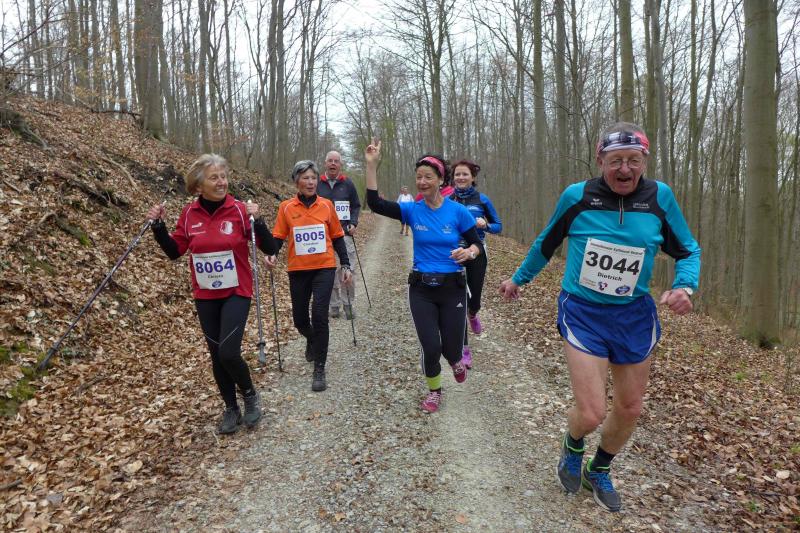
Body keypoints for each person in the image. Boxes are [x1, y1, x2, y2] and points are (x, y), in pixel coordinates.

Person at [499, 122, 700, 512]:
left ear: (644, 162)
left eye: (633, 161)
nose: (625, 169)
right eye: (615, 161)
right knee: (592, 412)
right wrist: (518, 279)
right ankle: (573, 444)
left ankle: (599, 468)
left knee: (630, 408)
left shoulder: (659, 197)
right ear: (600, 160)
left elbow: (688, 249)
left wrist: (684, 286)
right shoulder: (578, 196)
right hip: (583, 311)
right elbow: (546, 243)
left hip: (634, 315)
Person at [146, 154, 270, 435]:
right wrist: (158, 227)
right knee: (216, 355)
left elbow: (270, 247)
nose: (221, 182)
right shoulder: (189, 214)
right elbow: (174, 251)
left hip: (236, 290)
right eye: (214, 178)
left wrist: (259, 220)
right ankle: (230, 407)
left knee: (228, 352)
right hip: (206, 295)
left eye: (223, 176)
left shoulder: (239, 210)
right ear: (198, 185)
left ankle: (250, 395)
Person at [365, 140, 484, 413]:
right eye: (418, 177)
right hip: (421, 288)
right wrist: (371, 166)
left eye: (428, 177)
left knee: (452, 349)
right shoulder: (412, 210)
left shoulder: (457, 212)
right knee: (431, 347)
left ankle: (455, 360)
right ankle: (434, 391)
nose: (422, 182)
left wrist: (469, 253)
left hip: (453, 288)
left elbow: (477, 244)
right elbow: (374, 203)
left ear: (441, 180)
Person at [264, 160, 353, 392]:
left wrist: (345, 263)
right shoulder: (286, 207)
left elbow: (337, 237)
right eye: (305, 178)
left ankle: (319, 368)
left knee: (320, 315)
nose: (311, 182)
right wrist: (272, 254)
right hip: (298, 270)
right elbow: (278, 237)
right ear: (297, 181)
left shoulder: (326, 206)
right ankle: (312, 338)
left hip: (324, 267)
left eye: (313, 178)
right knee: (300, 320)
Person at [449, 160, 502, 368]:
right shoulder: (448, 199)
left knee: (474, 299)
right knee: (458, 301)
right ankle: (464, 349)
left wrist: (486, 225)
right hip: (455, 254)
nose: (461, 178)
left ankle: (473, 314)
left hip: (477, 253)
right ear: (453, 178)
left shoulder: (482, 199)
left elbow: (499, 226)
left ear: (472, 177)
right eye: (457, 174)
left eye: (465, 174)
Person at [316, 150, 361, 320]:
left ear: (341, 164)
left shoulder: (347, 183)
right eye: (330, 161)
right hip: (324, 236)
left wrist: (353, 222)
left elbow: (356, 205)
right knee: (330, 272)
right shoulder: (317, 184)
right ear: (325, 163)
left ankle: (348, 304)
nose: (333, 163)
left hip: (344, 234)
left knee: (348, 269)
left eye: (336, 161)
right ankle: (334, 306)